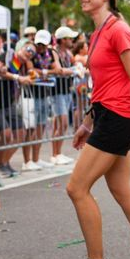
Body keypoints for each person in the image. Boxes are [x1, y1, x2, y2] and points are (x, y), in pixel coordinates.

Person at [59, 0, 130, 259]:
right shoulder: (97, 32)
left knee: (76, 188)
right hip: (107, 115)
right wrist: (87, 121)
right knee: (122, 191)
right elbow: (104, 85)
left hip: (119, 119)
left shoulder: (119, 30)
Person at [0, 39, 35, 177]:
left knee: (21, 133)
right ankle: (0, 166)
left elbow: (29, 73)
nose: (30, 53)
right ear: (20, 47)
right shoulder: (7, 56)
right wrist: (17, 77)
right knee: (6, 134)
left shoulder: (22, 64)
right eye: (28, 49)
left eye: (32, 52)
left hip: (10, 103)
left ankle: (5, 163)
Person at [20, 29, 57, 171]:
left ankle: (36, 159)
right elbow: (31, 70)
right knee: (30, 129)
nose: (40, 47)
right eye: (39, 44)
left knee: (40, 129)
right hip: (30, 95)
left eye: (43, 44)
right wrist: (46, 72)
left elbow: (57, 69)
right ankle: (27, 161)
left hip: (43, 94)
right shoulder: (31, 52)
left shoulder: (49, 54)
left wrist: (44, 72)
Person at [51, 26, 79, 166]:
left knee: (59, 123)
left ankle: (57, 153)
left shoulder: (67, 52)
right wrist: (73, 70)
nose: (71, 40)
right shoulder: (54, 51)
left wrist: (76, 68)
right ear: (62, 40)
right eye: (69, 38)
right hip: (57, 91)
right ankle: (55, 153)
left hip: (66, 89)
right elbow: (59, 69)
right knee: (62, 122)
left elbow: (76, 64)